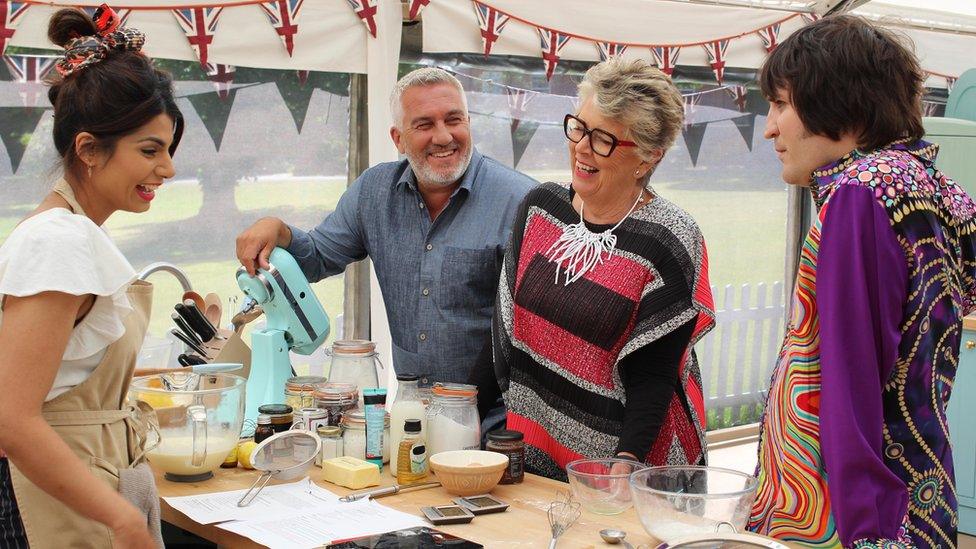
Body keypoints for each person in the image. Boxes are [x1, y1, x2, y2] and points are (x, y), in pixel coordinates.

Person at [748, 15, 976, 547]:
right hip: (922, 491)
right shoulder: (945, 192)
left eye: (781, 104)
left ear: (838, 101)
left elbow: (848, 381)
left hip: (849, 517)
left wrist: (867, 535)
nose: (769, 127)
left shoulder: (860, 193)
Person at [477, 57, 715, 482]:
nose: (582, 148)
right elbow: (505, 327)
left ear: (648, 155)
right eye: (579, 128)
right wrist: (457, 412)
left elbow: (655, 375)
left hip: (629, 465)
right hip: (533, 445)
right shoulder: (540, 209)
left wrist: (626, 468)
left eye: (603, 139)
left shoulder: (669, 239)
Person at [0, 6, 183, 548]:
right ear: (88, 149)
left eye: (169, 150)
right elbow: (12, 417)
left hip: (82, 482)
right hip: (47, 502)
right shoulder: (57, 240)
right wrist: (122, 517)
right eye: (149, 150)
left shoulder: (76, 233)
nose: (167, 169)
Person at [236, 68, 535, 393]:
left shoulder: (521, 202)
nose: (444, 137)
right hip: (412, 411)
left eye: (453, 120)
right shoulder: (374, 193)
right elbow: (318, 258)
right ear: (398, 139)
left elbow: (544, 332)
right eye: (424, 124)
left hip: (498, 421)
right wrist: (278, 230)